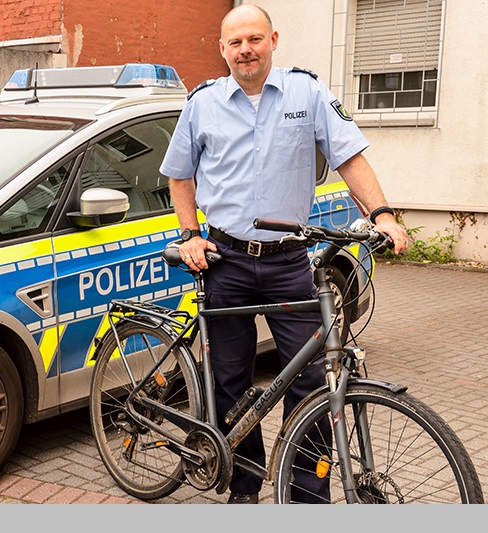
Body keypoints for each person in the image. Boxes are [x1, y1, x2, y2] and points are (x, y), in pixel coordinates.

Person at [159, 3, 408, 504]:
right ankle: (245, 485)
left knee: (312, 379)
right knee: (230, 380)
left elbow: (349, 158)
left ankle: (305, 495)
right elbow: (178, 175)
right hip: (224, 260)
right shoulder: (202, 102)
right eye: (235, 42)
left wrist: (381, 213)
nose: (245, 50)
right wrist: (189, 234)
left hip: (289, 262)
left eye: (254, 39)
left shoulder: (307, 91)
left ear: (273, 39)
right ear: (222, 48)